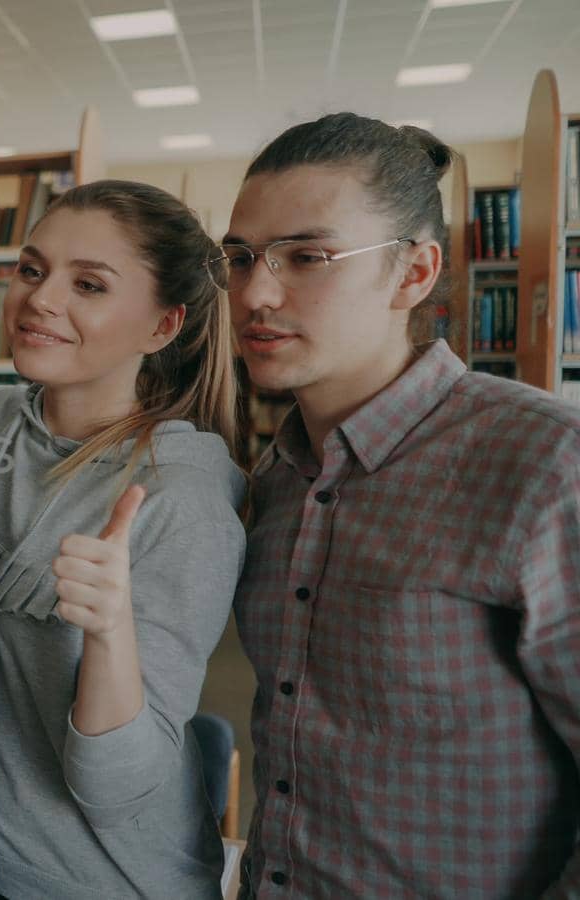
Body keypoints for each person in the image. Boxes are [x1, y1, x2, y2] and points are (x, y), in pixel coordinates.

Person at [223, 113, 580, 897]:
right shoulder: (276, 477)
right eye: (241, 257)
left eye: (307, 256)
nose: (256, 292)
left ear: (414, 274)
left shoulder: (545, 460)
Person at [0, 180, 246, 898]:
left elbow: (120, 790)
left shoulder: (182, 501)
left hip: (87, 884)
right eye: (31, 270)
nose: (42, 299)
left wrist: (110, 630)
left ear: (162, 327)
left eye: (89, 285)